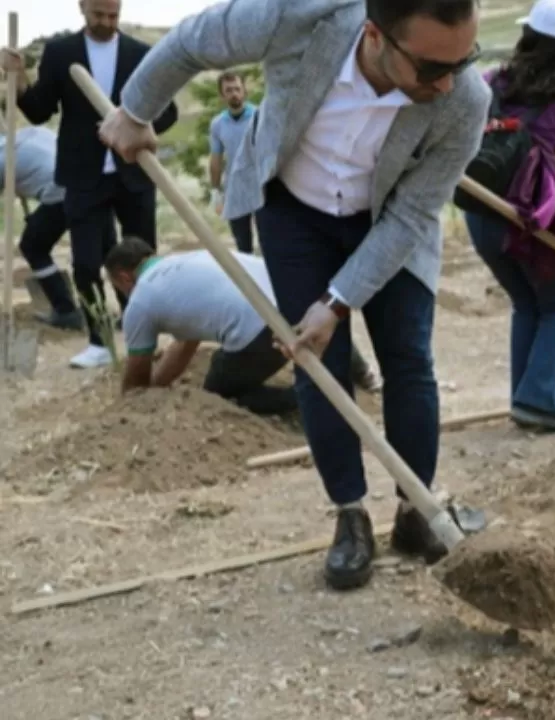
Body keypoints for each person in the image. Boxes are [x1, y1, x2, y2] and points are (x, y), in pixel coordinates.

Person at [96, 0, 489, 592]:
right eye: (433, 69)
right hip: (295, 212)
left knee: (408, 359)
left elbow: (409, 215)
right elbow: (192, 41)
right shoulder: (300, 16)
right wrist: (135, 109)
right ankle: (350, 516)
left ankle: (415, 513)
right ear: (375, 35)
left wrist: (336, 303)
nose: (451, 83)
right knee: (314, 361)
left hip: (389, 222)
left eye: (466, 61)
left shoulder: (465, 99)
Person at [2, 0, 179, 369]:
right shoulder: (60, 52)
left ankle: (140, 339)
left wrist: (140, 128)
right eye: (99, 15)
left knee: (143, 261)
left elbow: (169, 111)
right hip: (83, 175)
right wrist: (18, 81)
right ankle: (99, 342)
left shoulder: (141, 54)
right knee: (85, 262)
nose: (107, 22)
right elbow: (38, 110)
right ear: (82, 7)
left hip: (134, 173)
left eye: (113, 15)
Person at [462, 0, 555, 434]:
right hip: (529, 221)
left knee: (527, 303)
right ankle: (538, 397)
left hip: (482, 213)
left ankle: (524, 397)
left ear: (527, 38)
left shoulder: (491, 84)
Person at [104, 236, 382, 414]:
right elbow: (185, 345)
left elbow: (136, 384)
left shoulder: (141, 300)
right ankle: (364, 376)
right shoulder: (189, 259)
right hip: (302, 307)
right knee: (312, 324)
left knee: (218, 393)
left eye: (118, 287)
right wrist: (159, 388)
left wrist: (133, 403)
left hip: (261, 331)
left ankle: (307, 401)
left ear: (124, 277)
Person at [0, 126, 84, 330]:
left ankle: (66, 311)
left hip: (62, 193)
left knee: (32, 247)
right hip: (91, 182)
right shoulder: (32, 133)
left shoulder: (3, 159)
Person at [207, 69, 259, 253]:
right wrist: (215, 191)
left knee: (270, 244)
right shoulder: (217, 124)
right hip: (235, 189)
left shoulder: (259, 116)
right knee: (243, 245)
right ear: (222, 95)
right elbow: (216, 159)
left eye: (237, 89)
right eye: (228, 90)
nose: (234, 93)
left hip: (261, 187)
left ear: (244, 91)